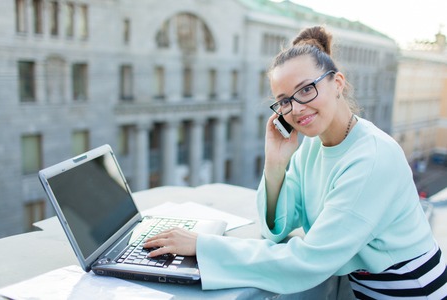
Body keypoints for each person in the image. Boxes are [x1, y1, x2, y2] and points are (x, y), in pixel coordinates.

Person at [144, 26, 447, 298]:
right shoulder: (313, 146)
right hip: (370, 288)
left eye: (306, 89)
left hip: (412, 290)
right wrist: (276, 163)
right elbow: (276, 227)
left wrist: (203, 245)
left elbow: (309, 261)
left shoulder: (372, 157)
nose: (297, 108)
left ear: (337, 83)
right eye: (285, 100)